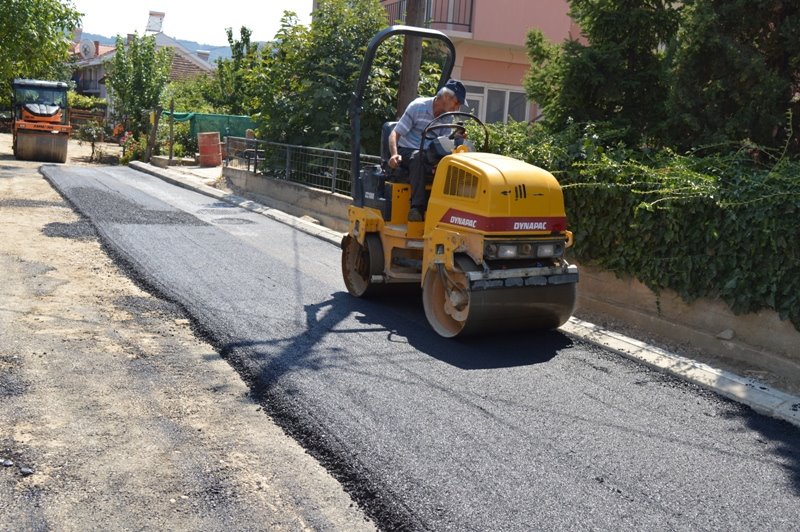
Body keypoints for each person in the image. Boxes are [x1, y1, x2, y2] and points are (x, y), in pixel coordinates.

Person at [388, 79, 466, 221]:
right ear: (447, 97)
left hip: (428, 153)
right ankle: (416, 208)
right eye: (457, 103)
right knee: (418, 157)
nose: (457, 108)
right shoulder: (417, 107)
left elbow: (444, 142)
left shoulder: (446, 117)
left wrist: (457, 137)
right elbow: (395, 133)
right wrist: (394, 155)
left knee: (452, 160)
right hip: (407, 150)